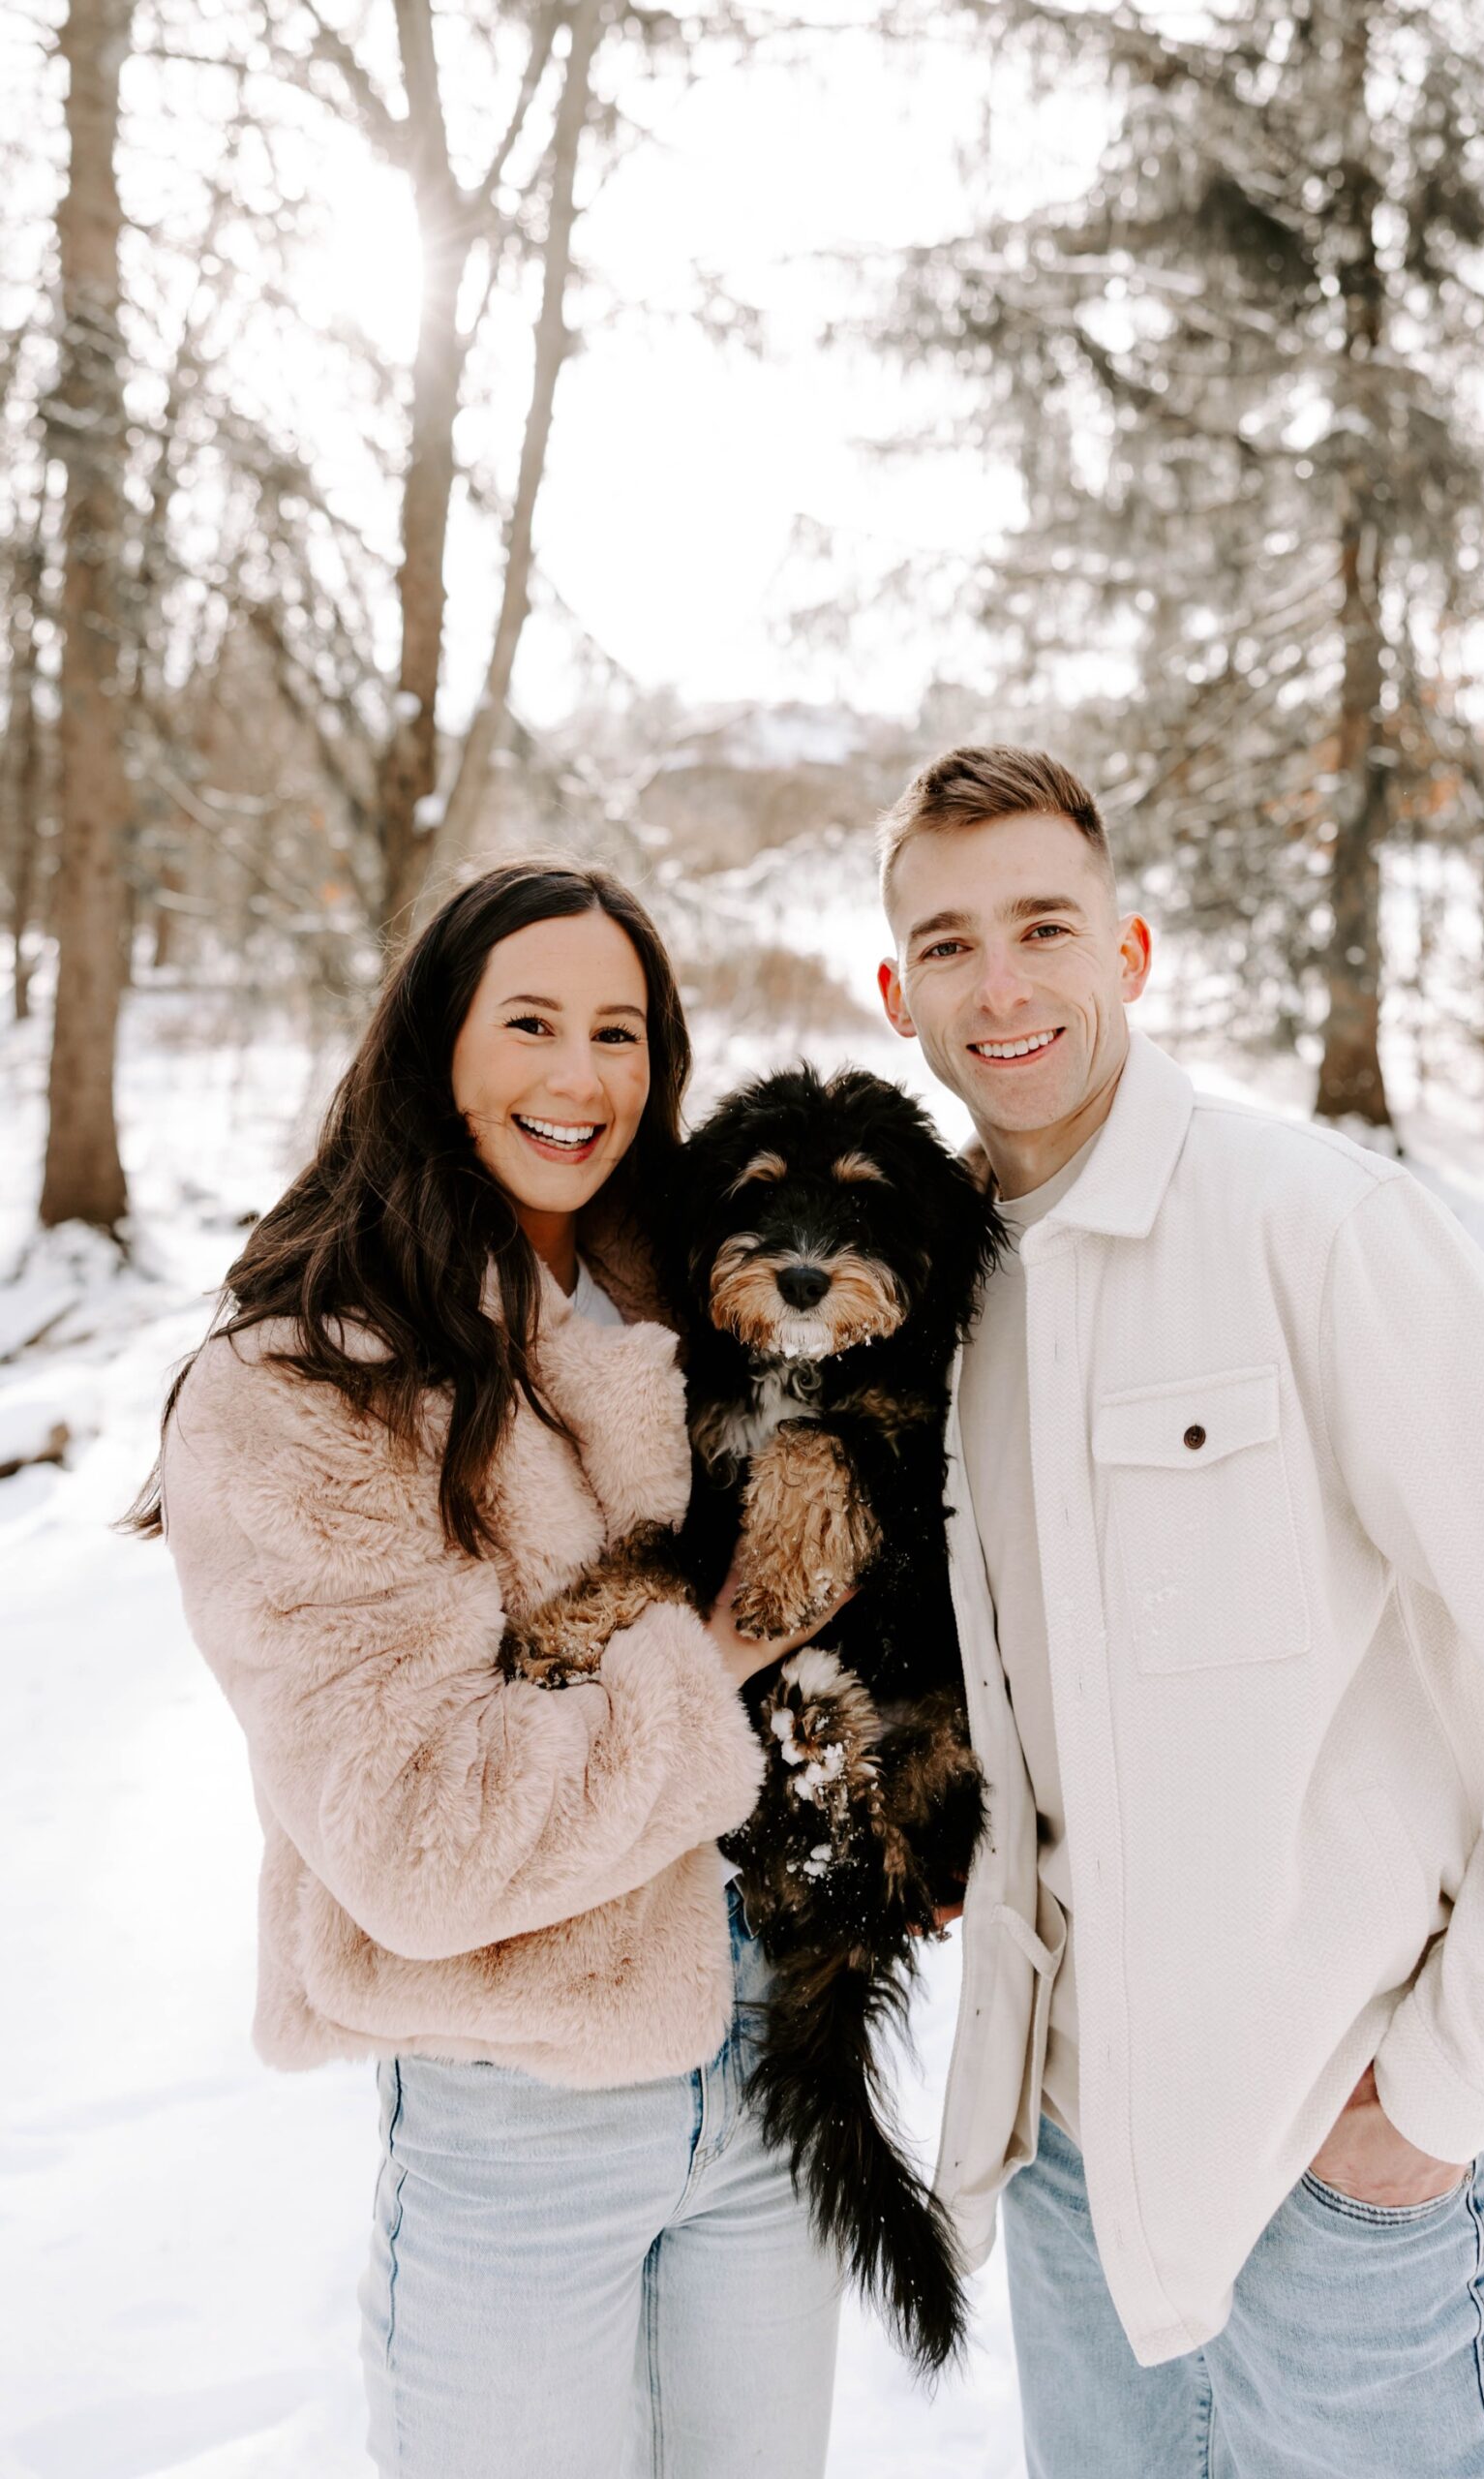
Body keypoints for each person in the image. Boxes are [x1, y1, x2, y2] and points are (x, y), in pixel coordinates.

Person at [875, 745, 1484, 2477]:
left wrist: (1447, 2096)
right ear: (896, 992)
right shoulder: (940, 1302)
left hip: (1346, 2182)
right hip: (1075, 2175)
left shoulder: (1316, 1230)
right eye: (946, 945)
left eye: (1042, 926)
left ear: (1130, 953)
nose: (999, 985)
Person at [133, 860, 843, 2479]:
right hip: (524, 2109)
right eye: (529, 1023)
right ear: (435, 1047)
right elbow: (418, 1847)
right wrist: (722, 1642)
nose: (580, 1079)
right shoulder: (305, 1385)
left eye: (622, 1032)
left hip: (776, 2084)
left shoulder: (706, 1302)